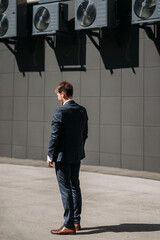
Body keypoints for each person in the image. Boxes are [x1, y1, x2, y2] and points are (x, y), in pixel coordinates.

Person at [47, 81, 88, 235]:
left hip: (62, 157)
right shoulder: (82, 110)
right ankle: (76, 222)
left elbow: (55, 136)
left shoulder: (60, 112)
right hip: (76, 155)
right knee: (75, 187)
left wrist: (50, 154)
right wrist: (77, 149)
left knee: (66, 189)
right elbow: (85, 134)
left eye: (58, 94)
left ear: (63, 94)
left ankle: (69, 225)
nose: (57, 97)